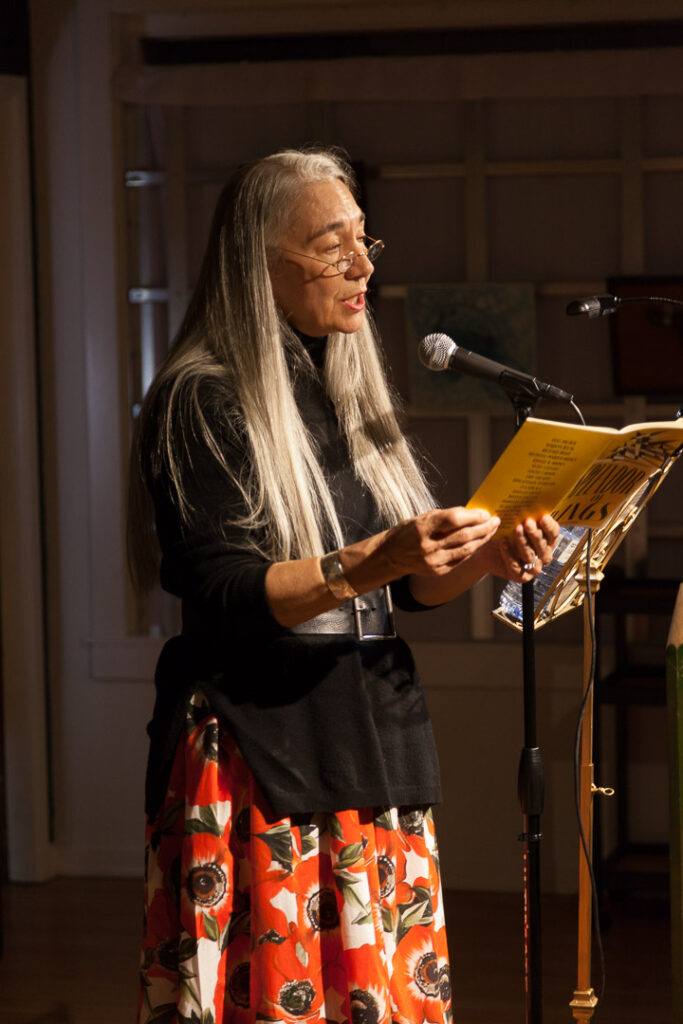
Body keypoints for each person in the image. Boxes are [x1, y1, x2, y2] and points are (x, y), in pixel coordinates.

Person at [128, 147, 559, 1024]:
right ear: (259, 263)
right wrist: (375, 559)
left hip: (371, 736)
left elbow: (398, 595)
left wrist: (478, 560)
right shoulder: (201, 398)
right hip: (261, 747)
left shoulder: (341, 388)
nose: (362, 265)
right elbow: (225, 593)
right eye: (332, 247)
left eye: (365, 242)